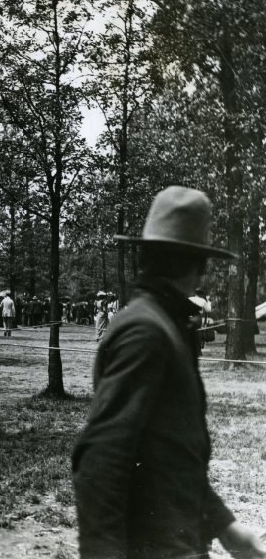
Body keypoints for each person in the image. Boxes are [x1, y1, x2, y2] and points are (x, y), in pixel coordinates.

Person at [72, 186, 266, 559]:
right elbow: (99, 458)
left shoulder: (163, 324)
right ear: (198, 264)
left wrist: (226, 526)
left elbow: (173, 456)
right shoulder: (146, 330)